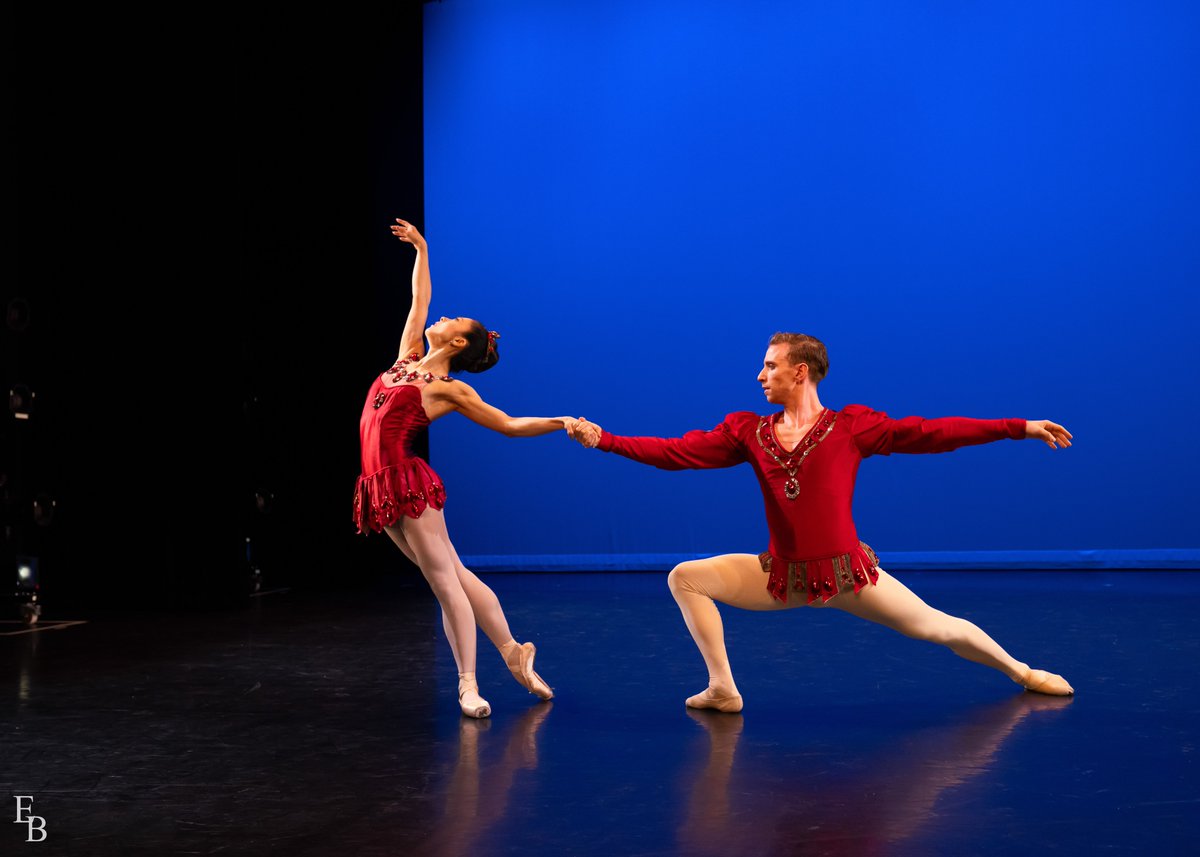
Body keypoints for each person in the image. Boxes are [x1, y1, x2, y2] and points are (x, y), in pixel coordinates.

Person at [569, 332, 1075, 712]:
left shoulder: (850, 427)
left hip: (847, 576)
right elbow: (676, 452)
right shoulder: (748, 431)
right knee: (685, 578)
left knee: (936, 627)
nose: (760, 375)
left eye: (770, 366)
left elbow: (932, 432)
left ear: (800, 372)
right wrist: (606, 439)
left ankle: (1022, 672)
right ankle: (723, 688)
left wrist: (1019, 427)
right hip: (783, 577)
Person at [355, 218, 571, 718]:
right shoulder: (407, 358)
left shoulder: (450, 389)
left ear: (456, 344)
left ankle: (468, 685)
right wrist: (421, 250)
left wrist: (560, 421)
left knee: (443, 582)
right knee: (455, 574)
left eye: (455, 321)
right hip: (377, 485)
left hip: (407, 484)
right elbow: (420, 300)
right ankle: (513, 652)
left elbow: (509, 424)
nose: (444, 316)